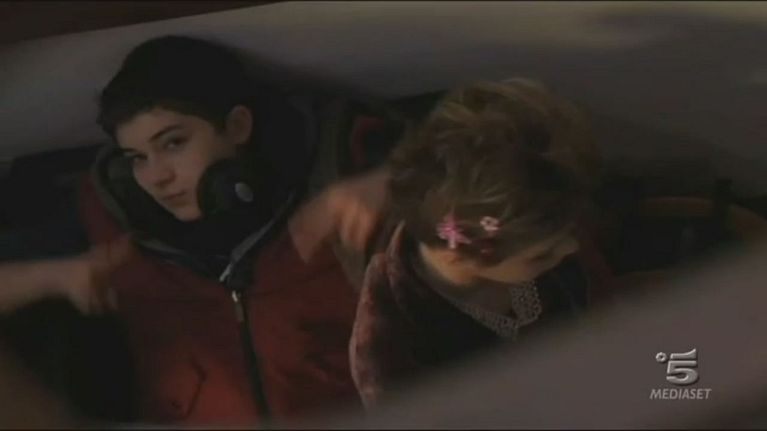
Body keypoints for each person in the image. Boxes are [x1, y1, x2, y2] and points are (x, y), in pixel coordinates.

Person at [0, 35, 391, 425]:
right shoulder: (110, 219)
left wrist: (391, 184)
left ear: (237, 126)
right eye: (137, 157)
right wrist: (52, 276)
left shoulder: (340, 169)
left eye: (173, 143)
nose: (157, 177)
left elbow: (430, 178)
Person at [349, 79, 616, 408]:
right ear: (461, 255)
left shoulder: (535, 218)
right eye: (543, 254)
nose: (571, 247)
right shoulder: (394, 354)